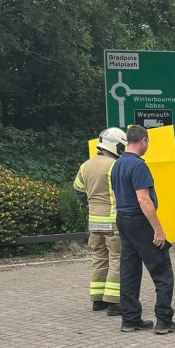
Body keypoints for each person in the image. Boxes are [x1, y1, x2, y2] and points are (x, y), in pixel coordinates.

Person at [110, 125, 175, 334]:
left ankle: (130, 319)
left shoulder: (117, 165)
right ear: (143, 141)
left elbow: (115, 197)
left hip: (123, 219)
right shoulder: (138, 166)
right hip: (140, 221)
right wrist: (158, 230)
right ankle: (164, 320)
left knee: (129, 270)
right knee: (162, 271)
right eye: (147, 143)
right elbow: (143, 199)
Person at [73, 127, 127, 316]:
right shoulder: (115, 165)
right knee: (116, 260)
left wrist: (92, 205)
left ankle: (97, 300)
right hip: (112, 222)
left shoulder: (86, 165)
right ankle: (114, 303)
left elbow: (78, 190)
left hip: (93, 222)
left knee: (98, 259)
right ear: (115, 145)